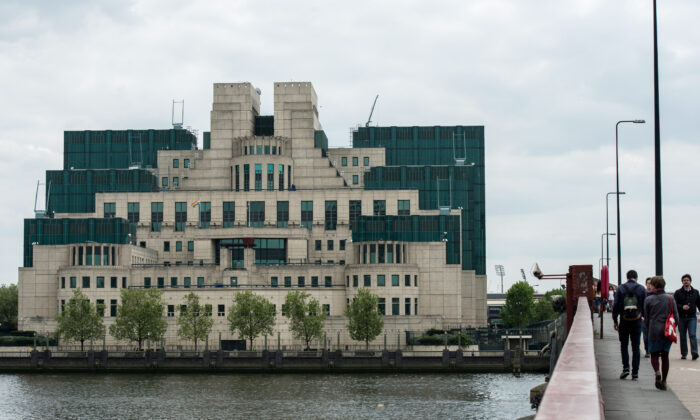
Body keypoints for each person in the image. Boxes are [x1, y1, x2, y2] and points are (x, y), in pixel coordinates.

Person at [644, 276, 680, 390]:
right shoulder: (670, 298)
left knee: (654, 355)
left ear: (653, 285)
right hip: (666, 331)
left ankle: (657, 371)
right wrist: (673, 328)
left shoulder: (648, 299)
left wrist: (648, 329)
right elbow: (676, 316)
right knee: (665, 356)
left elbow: (647, 317)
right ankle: (664, 381)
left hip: (654, 330)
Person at [613, 269, 647, 380]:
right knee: (636, 347)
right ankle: (635, 373)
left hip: (624, 320)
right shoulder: (641, 288)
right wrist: (644, 317)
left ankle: (626, 368)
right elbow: (645, 305)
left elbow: (616, 305)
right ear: (636, 278)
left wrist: (615, 320)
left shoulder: (621, 288)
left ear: (627, 277)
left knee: (624, 345)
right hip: (637, 321)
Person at [673, 273, 700, 360]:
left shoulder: (695, 292)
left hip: (692, 316)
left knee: (692, 334)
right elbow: (674, 304)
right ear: (682, 282)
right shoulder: (677, 292)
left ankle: (694, 352)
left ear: (690, 281)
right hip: (681, 317)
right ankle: (684, 353)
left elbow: (699, 304)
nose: (686, 282)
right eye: (684, 280)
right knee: (683, 336)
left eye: (687, 280)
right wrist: (682, 307)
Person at [642, 278, 653, 358]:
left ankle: (652, 350)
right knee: (646, 335)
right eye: (648, 283)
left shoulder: (655, 294)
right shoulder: (643, 293)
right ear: (646, 284)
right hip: (644, 317)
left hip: (653, 318)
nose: (649, 285)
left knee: (653, 335)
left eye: (651, 283)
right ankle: (647, 350)